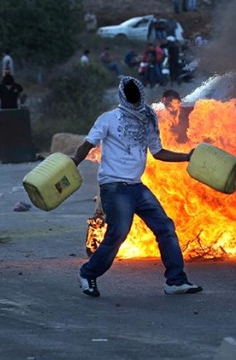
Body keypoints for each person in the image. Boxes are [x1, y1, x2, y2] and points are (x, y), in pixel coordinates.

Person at [72, 76, 201, 298]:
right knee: (118, 233)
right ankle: (87, 272)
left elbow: (158, 153)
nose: (135, 99)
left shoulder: (148, 119)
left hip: (137, 187)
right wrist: (71, 165)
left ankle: (176, 281)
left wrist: (187, 157)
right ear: (123, 96)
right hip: (113, 186)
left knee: (165, 227)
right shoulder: (108, 119)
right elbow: (87, 144)